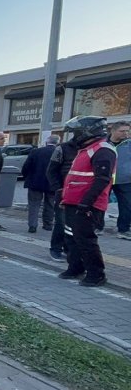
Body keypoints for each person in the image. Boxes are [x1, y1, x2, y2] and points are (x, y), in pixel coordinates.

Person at [59, 116, 117, 287]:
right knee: (71, 237)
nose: (74, 137)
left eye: (76, 133)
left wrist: (86, 203)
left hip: (87, 204)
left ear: (87, 132)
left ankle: (96, 274)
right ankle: (75, 267)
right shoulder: (87, 149)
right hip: (73, 202)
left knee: (85, 239)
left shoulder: (102, 150)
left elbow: (102, 179)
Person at [46, 128, 83, 262]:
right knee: (62, 222)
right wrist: (58, 189)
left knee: (77, 224)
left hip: (83, 194)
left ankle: (70, 249)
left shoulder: (92, 149)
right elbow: (51, 171)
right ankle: (56, 249)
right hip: (64, 193)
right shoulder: (62, 149)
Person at [22, 135, 59, 233]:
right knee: (50, 204)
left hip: (35, 182)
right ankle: (48, 224)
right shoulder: (58, 152)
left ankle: (32, 226)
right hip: (52, 183)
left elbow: (26, 166)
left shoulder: (36, 151)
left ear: (47, 142)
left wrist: (27, 177)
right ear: (57, 143)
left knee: (34, 204)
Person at [108, 121, 131, 239]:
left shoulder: (129, 144)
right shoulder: (103, 143)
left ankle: (123, 229)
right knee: (98, 204)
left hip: (125, 180)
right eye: (122, 131)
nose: (125, 133)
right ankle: (97, 226)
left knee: (127, 205)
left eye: (127, 131)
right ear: (113, 131)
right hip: (105, 178)